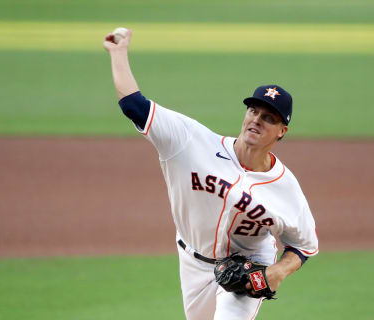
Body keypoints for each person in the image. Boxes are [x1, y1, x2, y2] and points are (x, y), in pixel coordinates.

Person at [103, 28, 318, 320]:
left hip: (246, 271)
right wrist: (118, 53)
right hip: (191, 261)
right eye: (253, 111)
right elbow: (133, 105)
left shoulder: (286, 188)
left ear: (282, 132)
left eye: (269, 118)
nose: (257, 120)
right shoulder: (191, 142)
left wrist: (278, 271)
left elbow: (303, 245)